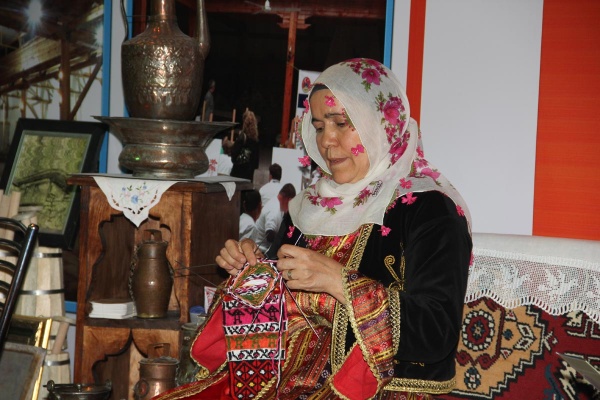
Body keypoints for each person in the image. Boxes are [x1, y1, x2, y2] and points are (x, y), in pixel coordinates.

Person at [157, 58, 472, 399]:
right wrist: (253, 275)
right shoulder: (310, 206)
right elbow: (279, 302)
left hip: (380, 389)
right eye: (320, 127)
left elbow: (436, 333)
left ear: (383, 122)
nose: (327, 141)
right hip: (287, 379)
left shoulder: (429, 209)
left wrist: (340, 282)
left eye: (342, 123)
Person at [253, 183, 296, 254]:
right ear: (288, 200)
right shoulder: (274, 210)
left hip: (267, 247)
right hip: (261, 249)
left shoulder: (278, 204)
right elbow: (269, 235)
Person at [223, 109, 260, 181]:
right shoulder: (256, 140)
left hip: (237, 173)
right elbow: (256, 163)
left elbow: (234, 154)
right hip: (249, 175)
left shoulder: (242, 137)